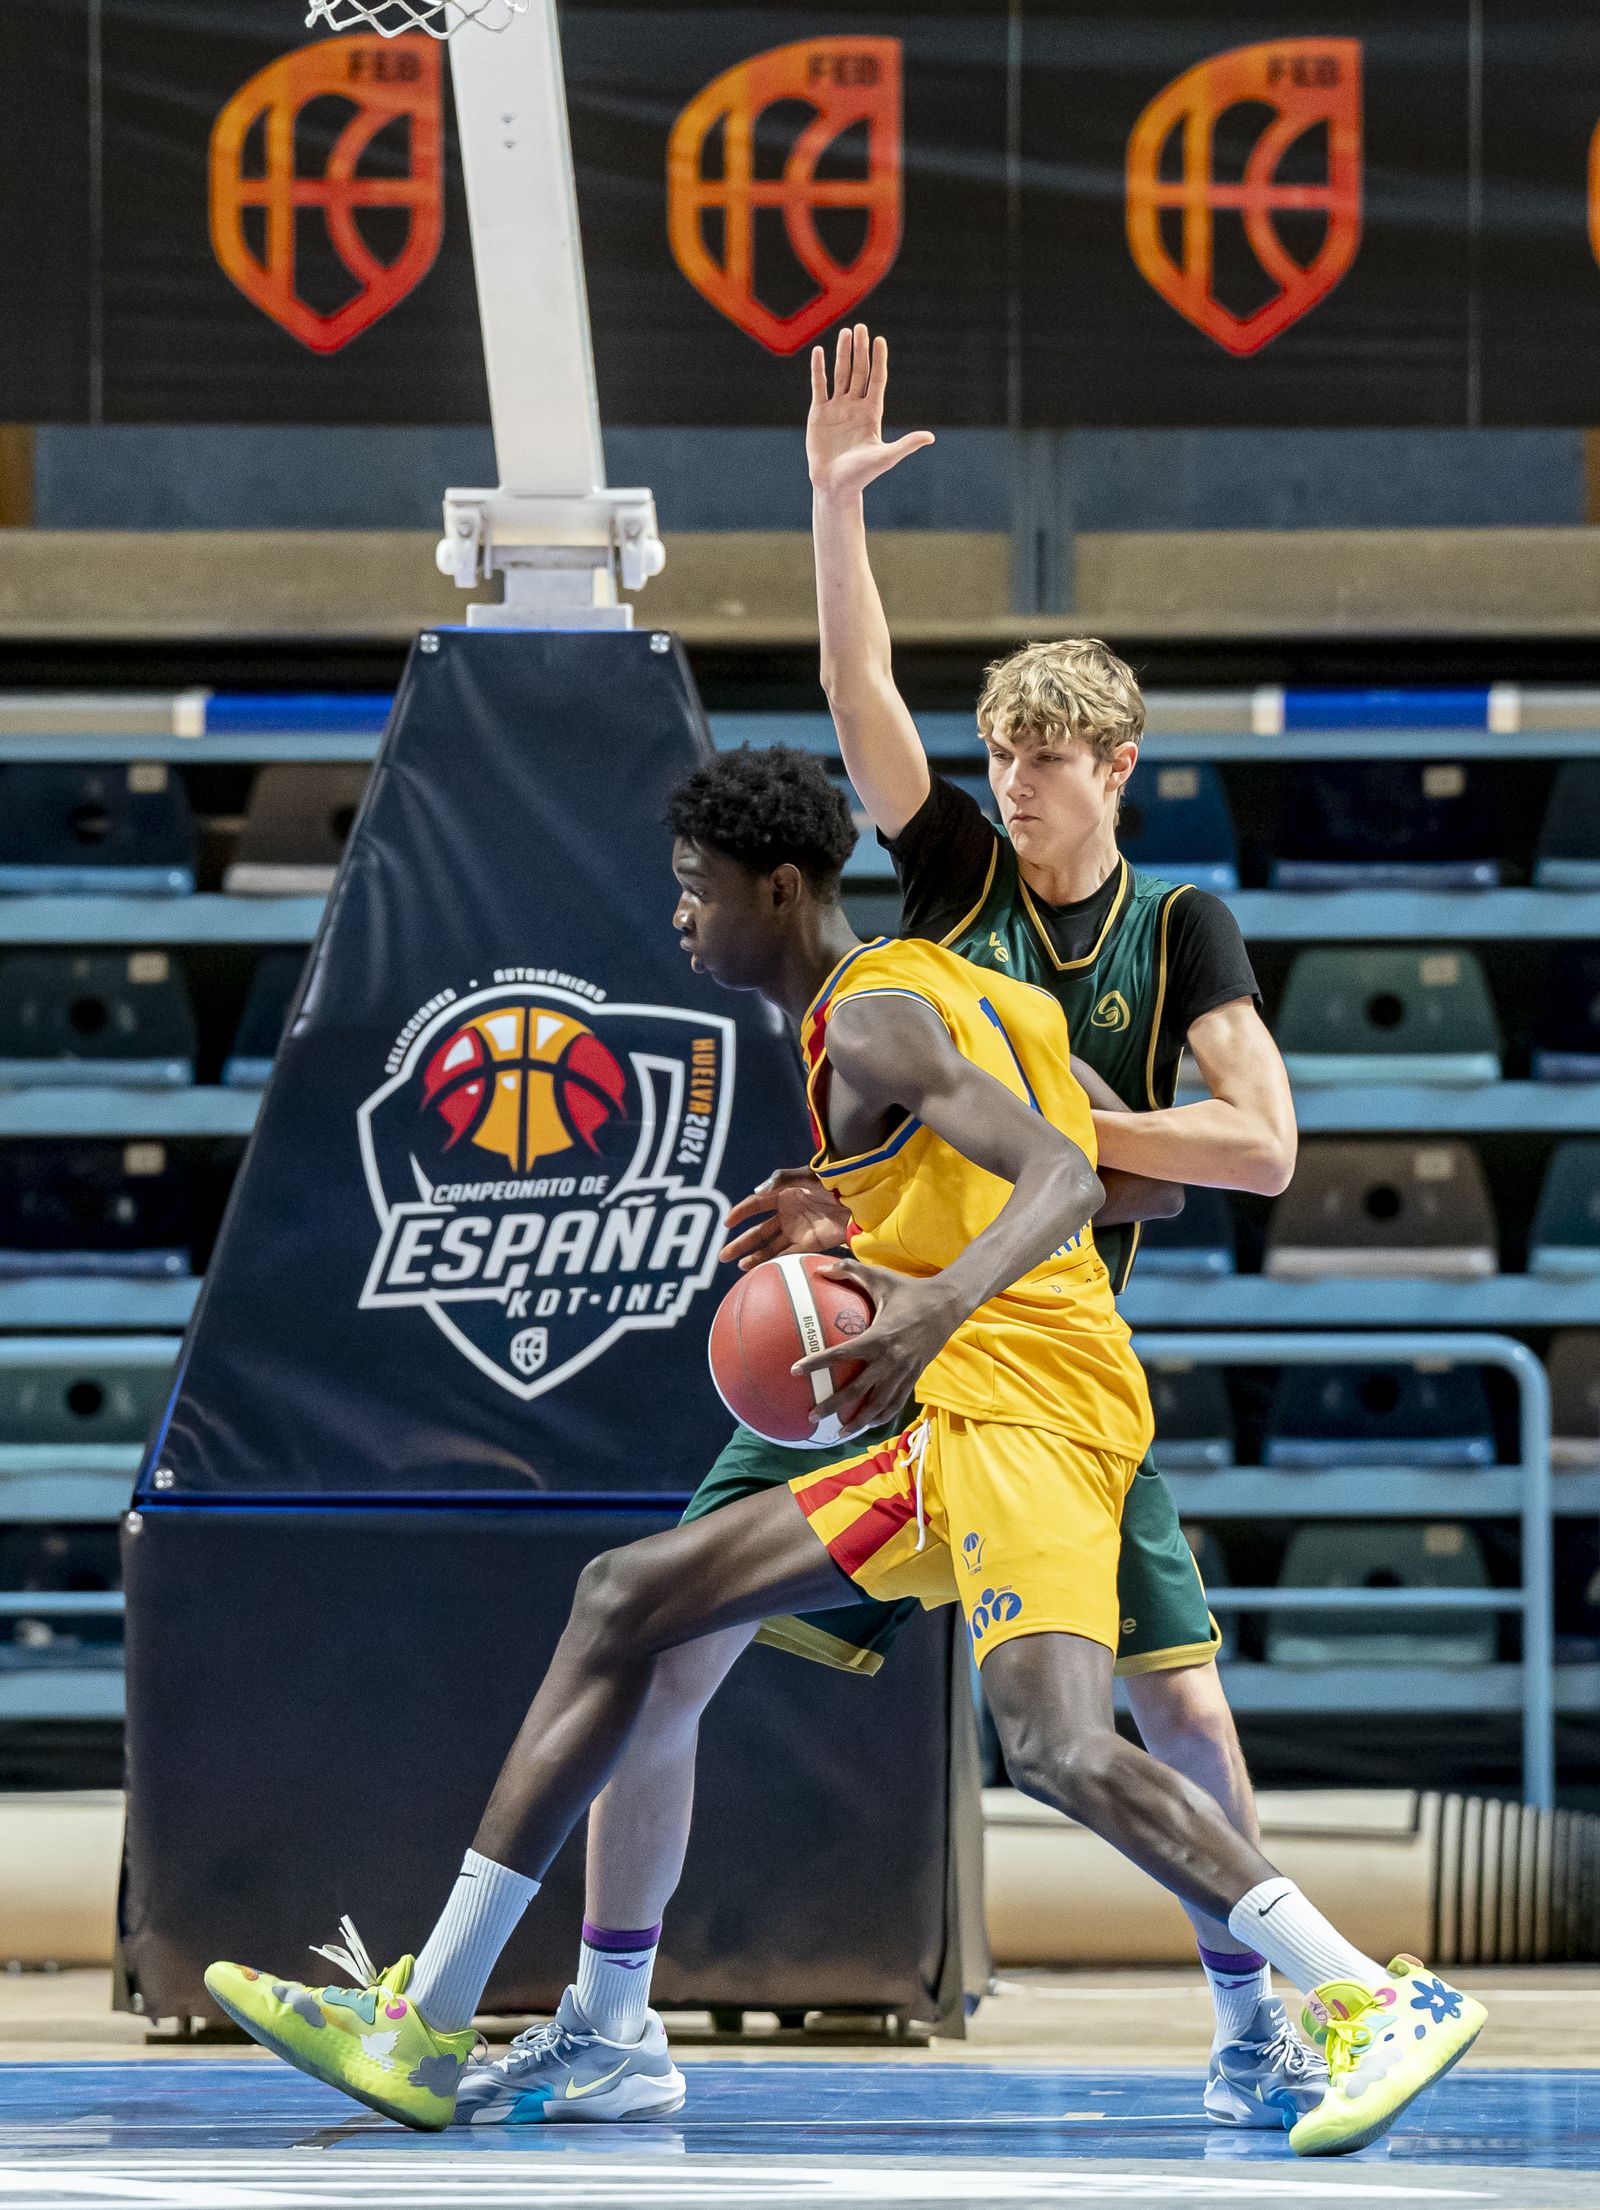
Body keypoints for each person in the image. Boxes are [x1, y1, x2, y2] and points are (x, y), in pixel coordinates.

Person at [206, 747, 1484, 2159]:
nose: (681, 919)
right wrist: (864, 1220)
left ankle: (1369, 1998)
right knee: (628, 1598)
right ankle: (434, 2014)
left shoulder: (874, 1017)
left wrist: (930, 1300)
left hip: (1021, 1411)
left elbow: (1061, 1178)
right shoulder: (958, 990)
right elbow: (1132, 1186)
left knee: (1061, 1743)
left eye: (696, 891)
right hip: (973, 1416)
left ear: (782, 884)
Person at [456, 325, 1313, 2133]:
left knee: (1163, 1716)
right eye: (1002, 748)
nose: (1016, 778)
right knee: (657, 1637)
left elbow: (1255, 1152)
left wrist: (1048, 1121)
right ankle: (613, 2015)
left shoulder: (1184, 927)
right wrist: (832, 506)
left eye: (1052, 755)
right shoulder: (955, 884)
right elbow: (859, 697)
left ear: (1122, 765)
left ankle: (1276, 2012)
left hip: (1038, 1357)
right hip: (872, 1333)